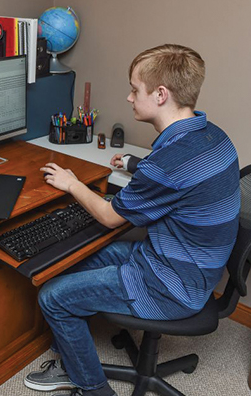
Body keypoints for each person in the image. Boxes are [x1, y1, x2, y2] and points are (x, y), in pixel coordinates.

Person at [24, 44, 240, 396]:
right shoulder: (213, 137)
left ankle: (93, 389)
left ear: (160, 94)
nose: (128, 97)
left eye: (134, 89)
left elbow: (110, 217)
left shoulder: (166, 164)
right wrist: (134, 165)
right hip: (193, 269)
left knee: (52, 297)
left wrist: (72, 183)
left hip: (171, 286)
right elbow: (182, 180)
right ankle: (71, 355)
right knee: (74, 260)